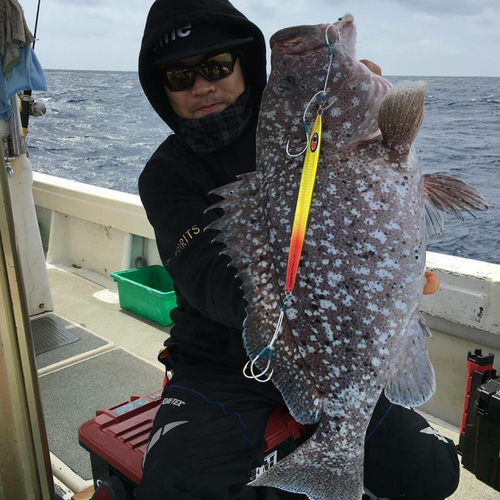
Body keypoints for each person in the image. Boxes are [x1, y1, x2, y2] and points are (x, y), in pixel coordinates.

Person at [135, 1, 460, 499]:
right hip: (222, 364)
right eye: (180, 76)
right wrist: (325, 312)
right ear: (162, 90)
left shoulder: (309, 131)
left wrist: (382, 277)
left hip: (347, 353)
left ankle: (326, 455)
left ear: (245, 64)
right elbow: (207, 280)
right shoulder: (165, 175)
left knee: (434, 474)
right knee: (175, 485)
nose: (201, 86)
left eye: (217, 66)